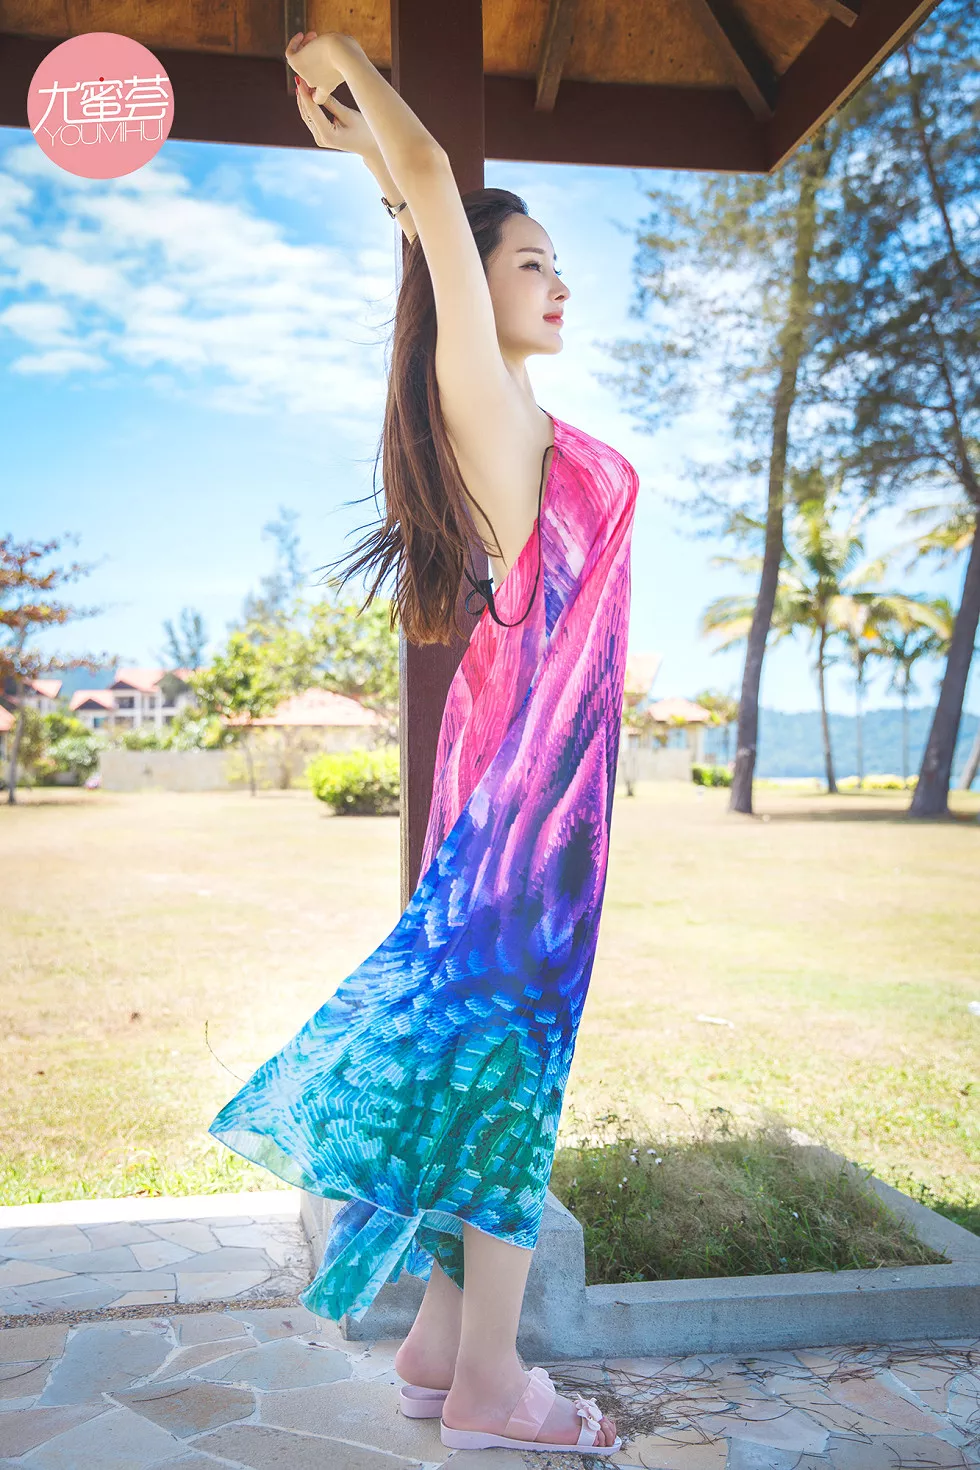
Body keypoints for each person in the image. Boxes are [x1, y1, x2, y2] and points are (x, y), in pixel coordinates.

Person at [208, 28, 640, 1457]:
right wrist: (351, 67)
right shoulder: (492, 411)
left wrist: (371, 170)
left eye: (559, 266)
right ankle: (496, 1389)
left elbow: (426, 210)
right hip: (529, 823)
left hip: (537, 808)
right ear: (474, 284)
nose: (557, 284)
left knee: (472, 1071)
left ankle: (442, 1348)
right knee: (507, 1087)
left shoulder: (515, 414)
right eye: (531, 264)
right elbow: (443, 197)